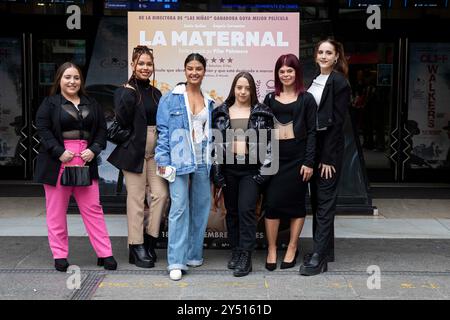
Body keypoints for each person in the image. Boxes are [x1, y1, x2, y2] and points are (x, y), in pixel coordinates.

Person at [34, 62, 117, 272]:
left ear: (81, 81)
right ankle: (60, 255)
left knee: (93, 209)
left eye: (76, 78)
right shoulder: (49, 103)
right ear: (59, 80)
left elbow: (101, 130)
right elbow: (43, 130)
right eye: (67, 77)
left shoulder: (92, 103)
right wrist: (58, 151)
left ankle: (104, 253)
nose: (72, 81)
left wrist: (95, 149)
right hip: (58, 161)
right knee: (56, 212)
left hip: (86, 160)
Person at [108, 45, 168, 268]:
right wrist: (135, 141)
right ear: (133, 64)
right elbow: (121, 124)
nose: (145, 67)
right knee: (135, 201)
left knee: (161, 195)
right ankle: (136, 245)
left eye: (148, 64)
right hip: (134, 154)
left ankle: (150, 239)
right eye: (141, 63)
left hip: (154, 155)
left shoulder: (156, 93)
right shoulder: (126, 91)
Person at [155, 53, 215, 281]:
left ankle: (193, 254)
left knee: (200, 208)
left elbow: (209, 135)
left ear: (204, 71)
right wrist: (163, 163)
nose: (194, 72)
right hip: (178, 162)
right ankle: (176, 261)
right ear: (184, 70)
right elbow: (163, 134)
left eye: (198, 68)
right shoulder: (170, 99)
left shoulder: (209, 100)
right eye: (190, 68)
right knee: (179, 208)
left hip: (202, 160)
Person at [212, 72, 274, 277]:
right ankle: (236, 251)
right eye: (239, 87)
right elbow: (216, 146)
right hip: (230, 168)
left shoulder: (262, 112)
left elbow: (271, 146)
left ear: (252, 90)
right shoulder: (221, 112)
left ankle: (246, 256)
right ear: (233, 88)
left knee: (247, 210)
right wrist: (218, 172)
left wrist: (263, 174)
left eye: (247, 88)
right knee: (232, 212)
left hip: (251, 170)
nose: (243, 91)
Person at [300, 39, 351, 276]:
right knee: (318, 200)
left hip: (329, 150)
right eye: (320, 52)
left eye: (328, 53)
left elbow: (337, 123)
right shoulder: (316, 79)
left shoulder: (339, 82)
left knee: (324, 203)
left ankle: (319, 258)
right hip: (315, 147)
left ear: (336, 57)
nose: (323, 56)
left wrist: (328, 158)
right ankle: (325, 250)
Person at [262, 54, 316, 271]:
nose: (285, 74)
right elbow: (262, 130)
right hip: (275, 157)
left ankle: (292, 247)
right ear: (277, 74)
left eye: (289, 70)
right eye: (282, 71)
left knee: (297, 205)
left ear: (297, 73)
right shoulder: (269, 99)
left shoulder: (307, 99)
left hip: (298, 157)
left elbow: (312, 132)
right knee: (272, 204)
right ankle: (272, 248)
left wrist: (309, 161)